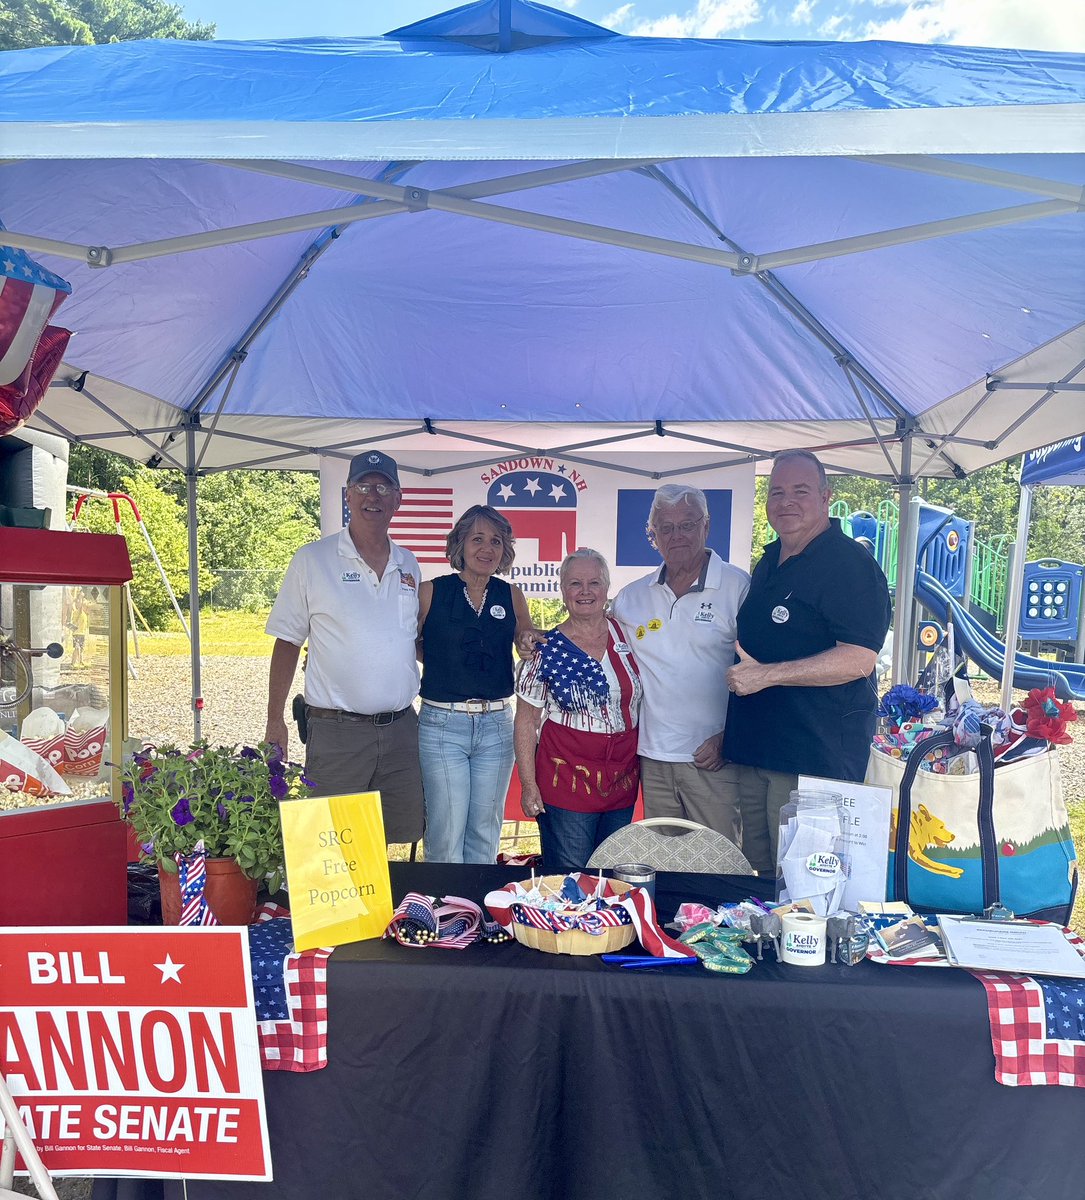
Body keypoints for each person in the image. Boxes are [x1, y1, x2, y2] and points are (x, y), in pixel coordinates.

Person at [724, 450, 892, 875]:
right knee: (758, 886)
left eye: (800, 491)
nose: (786, 502)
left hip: (811, 761)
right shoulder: (767, 562)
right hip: (756, 753)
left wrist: (767, 675)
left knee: (804, 891)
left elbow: (859, 659)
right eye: (777, 492)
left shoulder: (850, 565)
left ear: (825, 496)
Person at [264, 449, 424, 846]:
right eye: (364, 486)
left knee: (397, 840)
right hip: (337, 732)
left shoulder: (409, 564)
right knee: (332, 843)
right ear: (348, 495)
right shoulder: (313, 560)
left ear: (398, 499)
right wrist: (274, 718)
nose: (374, 496)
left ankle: (394, 911)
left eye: (384, 487)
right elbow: (287, 641)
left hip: (402, 729)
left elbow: (411, 642)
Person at [608, 484, 750, 842]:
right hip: (652, 758)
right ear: (652, 535)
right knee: (664, 864)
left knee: (719, 863)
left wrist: (730, 739)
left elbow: (760, 673)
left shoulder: (739, 588)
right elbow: (595, 644)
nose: (677, 536)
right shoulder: (631, 597)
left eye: (687, 525)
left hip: (714, 758)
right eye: (665, 528)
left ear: (707, 525)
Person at [514, 548, 642, 873]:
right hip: (566, 777)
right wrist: (529, 785)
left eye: (594, 583)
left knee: (614, 873)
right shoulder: (544, 649)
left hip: (621, 778)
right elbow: (526, 722)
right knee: (571, 877)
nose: (585, 592)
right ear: (562, 590)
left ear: (607, 588)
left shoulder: (633, 636)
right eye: (575, 584)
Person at [416, 505, 531, 863]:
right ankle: (441, 913)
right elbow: (407, 645)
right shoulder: (431, 591)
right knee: (446, 828)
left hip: (497, 726)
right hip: (441, 725)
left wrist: (528, 643)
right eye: (477, 539)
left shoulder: (511, 595)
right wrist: (443, 664)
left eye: (496, 541)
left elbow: (524, 642)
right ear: (460, 544)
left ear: (505, 550)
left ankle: (477, 913)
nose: (487, 548)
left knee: (485, 828)